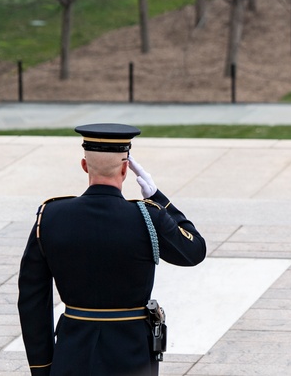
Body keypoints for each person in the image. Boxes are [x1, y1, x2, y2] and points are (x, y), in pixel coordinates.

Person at [17, 123, 206, 376]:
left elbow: (32, 300)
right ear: (126, 169)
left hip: (73, 353)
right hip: (133, 356)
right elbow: (194, 250)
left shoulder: (50, 216)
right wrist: (159, 198)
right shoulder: (148, 217)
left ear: (84, 165)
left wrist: (42, 368)